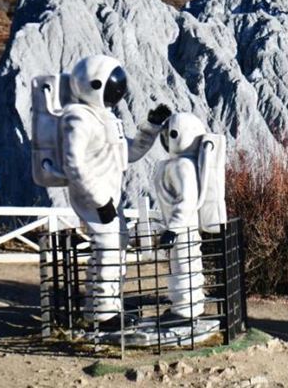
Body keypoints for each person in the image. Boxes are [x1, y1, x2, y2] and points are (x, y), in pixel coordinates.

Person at [61, 55, 171, 329]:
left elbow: (129, 152)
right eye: (112, 83)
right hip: (93, 196)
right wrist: (99, 201)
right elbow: (73, 164)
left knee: (115, 248)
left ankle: (106, 306)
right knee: (107, 249)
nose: (117, 89)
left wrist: (151, 128)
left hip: (108, 196)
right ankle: (102, 315)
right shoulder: (79, 119)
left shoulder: (105, 118)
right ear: (96, 84)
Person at [153, 113, 208, 326]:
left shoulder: (182, 166)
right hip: (182, 227)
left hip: (181, 228)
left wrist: (173, 228)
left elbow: (187, 200)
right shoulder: (182, 164)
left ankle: (186, 310)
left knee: (185, 265)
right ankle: (187, 306)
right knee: (184, 264)